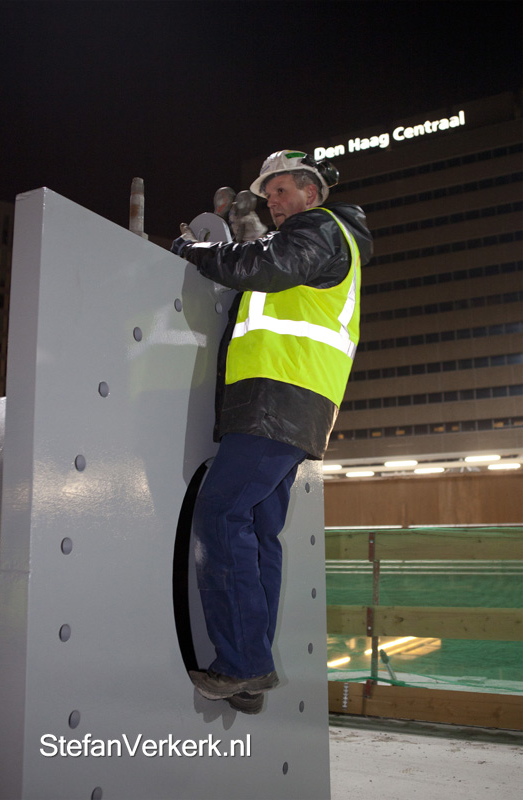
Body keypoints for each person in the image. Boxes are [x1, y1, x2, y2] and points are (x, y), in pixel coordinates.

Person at [171, 150, 373, 713]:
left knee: (220, 514)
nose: (274, 202)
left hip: (276, 402)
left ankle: (242, 664)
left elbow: (261, 265)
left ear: (312, 191)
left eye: (282, 190)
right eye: (269, 194)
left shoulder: (319, 230)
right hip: (292, 405)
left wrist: (193, 250)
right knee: (259, 531)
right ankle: (248, 672)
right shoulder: (319, 244)